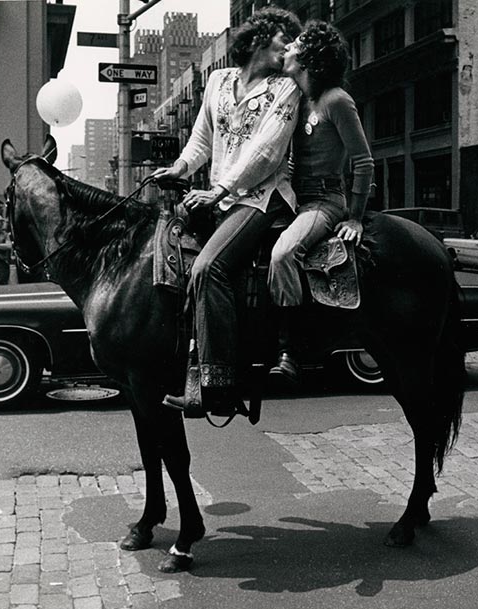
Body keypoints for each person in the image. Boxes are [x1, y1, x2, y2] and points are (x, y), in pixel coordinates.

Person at [154, 7, 302, 416]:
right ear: (258, 39)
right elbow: (201, 139)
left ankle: (217, 386)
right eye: (282, 41)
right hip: (221, 196)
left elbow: (268, 152)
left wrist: (218, 190)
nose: (288, 50)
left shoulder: (286, 88)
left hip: (261, 198)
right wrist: (180, 168)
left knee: (208, 269)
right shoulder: (218, 80)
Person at [266, 20, 374, 382]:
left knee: (283, 254)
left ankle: (289, 351)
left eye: (297, 42)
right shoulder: (299, 99)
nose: (288, 47)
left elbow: (363, 161)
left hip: (323, 202)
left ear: (310, 57)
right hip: (292, 198)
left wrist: (355, 217)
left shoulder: (336, 100)